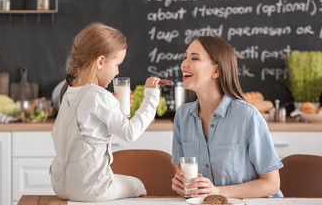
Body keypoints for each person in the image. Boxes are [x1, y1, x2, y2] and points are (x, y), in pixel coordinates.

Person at [50, 22, 162, 202]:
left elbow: (88, 119)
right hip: (90, 189)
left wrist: (113, 104)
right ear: (101, 61)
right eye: (117, 64)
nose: (117, 72)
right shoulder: (98, 95)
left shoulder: (68, 91)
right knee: (138, 185)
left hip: (60, 185)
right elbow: (130, 133)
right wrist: (151, 97)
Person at [171, 36, 283, 198]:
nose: (184, 64)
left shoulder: (247, 115)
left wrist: (217, 192)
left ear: (216, 70)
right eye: (185, 57)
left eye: (194, 58)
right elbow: (183, 172)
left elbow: (271, 184)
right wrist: (182, 184)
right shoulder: (182, 117)